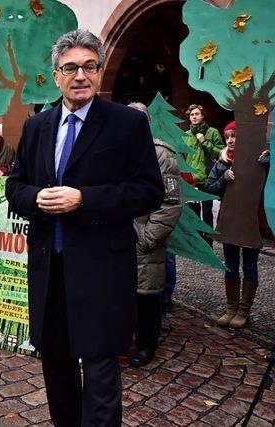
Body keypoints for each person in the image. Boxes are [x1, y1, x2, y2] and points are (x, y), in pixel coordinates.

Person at [5, 30, 163, 426]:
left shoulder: (126, 124)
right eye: (71, 67)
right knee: (56, 366)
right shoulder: (37, 126)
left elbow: (148, 192)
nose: (81, 76)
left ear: (99, 71)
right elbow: (15, 185)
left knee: (99, 371)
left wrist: (85, 199)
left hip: (101, 272)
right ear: (55, 75)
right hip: (50, 270)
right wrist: (34, 199)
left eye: (89, 67)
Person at [128, 102, 182, 367]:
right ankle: (123, 338)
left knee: (147, 295)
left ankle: (147, 344)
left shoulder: (162, 154)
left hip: (145, 239)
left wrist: (148, 237)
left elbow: (170, 203)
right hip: (120, 237)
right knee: (122, 293)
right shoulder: (116, 150)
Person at [203, 121, 261, 329]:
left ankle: (243, 311)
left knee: (249, 265)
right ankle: (231, 308)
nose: (230, 140)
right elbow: (209, 188)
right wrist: (224, 179)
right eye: (227, 137)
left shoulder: (257, 159)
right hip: (228, 220)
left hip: (250, 221)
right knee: (230, 264)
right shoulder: (221, 162)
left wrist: (269, 162)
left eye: (234, 136)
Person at [184, 104, 223, 242]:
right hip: (191, 179)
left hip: (207, 178)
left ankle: (208, 242)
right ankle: (197, 243)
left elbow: (220, 153)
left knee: (207, 212)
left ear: (203, 115)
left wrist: (204, 142)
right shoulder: (186, 135)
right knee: (193, 213)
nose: (194, 117)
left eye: (197, 114)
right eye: (191, 115)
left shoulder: (212, 132)